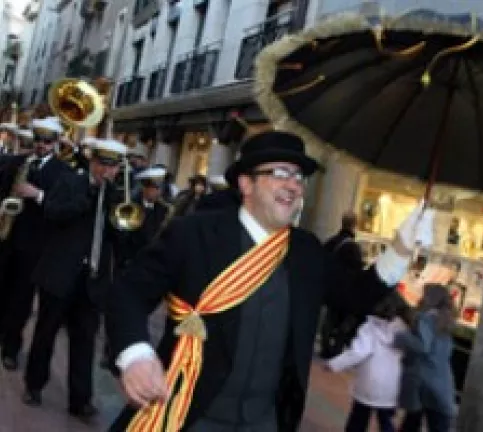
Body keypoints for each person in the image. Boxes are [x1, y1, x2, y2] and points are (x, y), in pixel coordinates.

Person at [105, 131, 434, 432]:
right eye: (279, 173)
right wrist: (136, 355)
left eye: (299, 176)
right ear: (246, 184)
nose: (293, 185)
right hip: (187, 412)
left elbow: (356, 295)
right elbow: (128, 292)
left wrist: (400, 249)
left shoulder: (306, 250)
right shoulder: (194, 234)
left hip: (267, 421)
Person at [22, 139, 126, 422]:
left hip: (92, 279)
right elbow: (52, 213)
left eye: (112, 167)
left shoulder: (119, 195)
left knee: (85, 341)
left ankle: (80, 401)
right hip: (60, 273)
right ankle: (34, 385)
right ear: (93, 163)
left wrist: (121, 219)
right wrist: (86, 199)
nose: (107, 171)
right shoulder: (71, 182)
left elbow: (122, 239)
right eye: (102, 164)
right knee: (45, 333)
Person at [0, 117, 70, 370]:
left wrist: (38, 194)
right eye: (38, 139)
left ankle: (11, 347)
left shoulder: (63, 171)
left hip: (35, 246)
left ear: (56, 142)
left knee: (21, 299)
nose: (41, 145)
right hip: (7, 237)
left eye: (47, 141)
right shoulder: (17, 162)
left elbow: (61, 207)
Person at [326, 293, 411, 432]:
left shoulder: (370, 327)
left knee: (358, 419)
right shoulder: (405, 331)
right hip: (391, 383)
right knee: (385, 420)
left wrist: (334, 364)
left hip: (369, 381)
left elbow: (358, 352)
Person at [395, 283, 457, 432]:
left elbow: (423, 346)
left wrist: (401, 336)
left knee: (411, 422)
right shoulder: (445, 321)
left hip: (423, 381)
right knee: (437, 424)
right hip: (441, 381)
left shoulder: (426, 319)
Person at [320, 211, 365, 358]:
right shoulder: (353, 247)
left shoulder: (331, 242)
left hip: (329, 288)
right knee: (344, 322)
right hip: (345, 291)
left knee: (330, 317)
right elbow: (358, 270)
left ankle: (325, 347)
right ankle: (336, 350)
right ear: (354, 225)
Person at [117, 166, 173, 268]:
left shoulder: (163, 208)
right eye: (155, 188)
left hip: (151, 259)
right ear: (145, 188)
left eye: (159, 189)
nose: (158, 192)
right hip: (130, 257)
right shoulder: (132, 205)